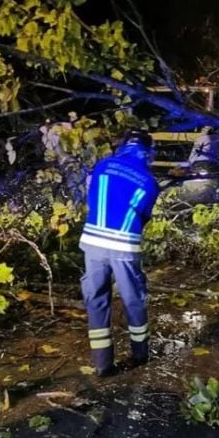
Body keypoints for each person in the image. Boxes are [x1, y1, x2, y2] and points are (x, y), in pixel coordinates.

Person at [79, 130, 160, 377]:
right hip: (124, 246)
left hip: (93, 242)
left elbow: (91, 199)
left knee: (96, 299)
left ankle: (103, 364)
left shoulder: (103, 166)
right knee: (133, 299)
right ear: (147, 152)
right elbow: (144, 216)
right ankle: (140, 355)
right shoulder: (149, 182)